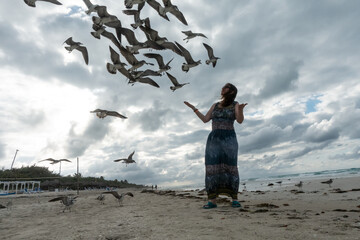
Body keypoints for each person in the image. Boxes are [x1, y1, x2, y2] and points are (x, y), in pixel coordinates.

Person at [184, 83, 247, 209]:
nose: (222, 89)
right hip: (214, 139)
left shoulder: (235, 104)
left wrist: (240, 109)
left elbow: (240, 120)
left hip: (229, 139)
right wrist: (194, 108)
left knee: (231, 168)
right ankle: (212, 201)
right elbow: (205, 119)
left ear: (232, 91)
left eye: (225, 88)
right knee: (212, 168)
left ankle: (234, 199)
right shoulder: (215, 105)